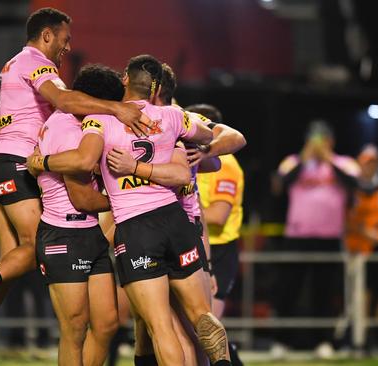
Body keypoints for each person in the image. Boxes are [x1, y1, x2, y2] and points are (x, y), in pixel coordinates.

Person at [0, 7, 151, 363]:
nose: (67, 46)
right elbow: (64, 99)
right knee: (32, 249)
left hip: (0, 164)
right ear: (46, 35)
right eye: (64, 38)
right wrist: (116, 109)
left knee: (13, 259)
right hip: (17, 163)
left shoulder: (15, 64)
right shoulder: (35, 62)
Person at [28, 54, 231, 366]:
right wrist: (202, 149)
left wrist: (43, 162)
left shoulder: (100, 120)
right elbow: (210, 136)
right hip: (176, 222)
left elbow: (83, 160)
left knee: (160, 325)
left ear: (125, 80)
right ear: (153, 90)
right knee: (200, 315)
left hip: (136, 229)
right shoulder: (173, 117)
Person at [36, 64, 123, 365]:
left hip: (87, 233)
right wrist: (126, 197)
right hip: (63, 234)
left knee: (107, 323)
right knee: (74, 328)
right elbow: (83, 199)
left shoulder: (75, 124)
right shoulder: (69, 131)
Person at [275, 120, 359, 352]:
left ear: (331, 141)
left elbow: (354, 183)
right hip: (297, 235)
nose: (318, 144)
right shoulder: (293, 161)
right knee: (289, 290)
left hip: (329, 237)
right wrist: (305, 158)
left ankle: (323, 341)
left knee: (325, 291)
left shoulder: (344, 163)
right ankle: (283, 341)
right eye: (314, 140)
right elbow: (282, 183)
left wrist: (328, 158)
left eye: (322, 139)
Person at [189, 104, 245, 366]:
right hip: (195, 244)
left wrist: (187, 203)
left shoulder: (227, 165)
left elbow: (218, 216)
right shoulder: (193, 156)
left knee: (207, 328)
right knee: (196, 329)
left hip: (219, 251)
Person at [345, 145, 378, 350]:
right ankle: (360, 338)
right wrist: (365, 232)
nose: (370, 167)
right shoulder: (351, 188)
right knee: (361, 295)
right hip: (357, 249)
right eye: (367, 163)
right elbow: (347, 219)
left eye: (374, 163)